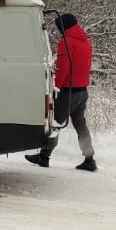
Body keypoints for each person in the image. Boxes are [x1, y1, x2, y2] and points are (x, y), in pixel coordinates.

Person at [26, 13, 96, 171]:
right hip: (82, 91)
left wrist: (54, 87)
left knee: (55, 122)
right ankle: (89, 158)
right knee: (80, 125)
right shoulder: (86, 42)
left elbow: (63, 68)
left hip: (68, 92)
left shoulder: (66, 42)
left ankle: (43, 157)